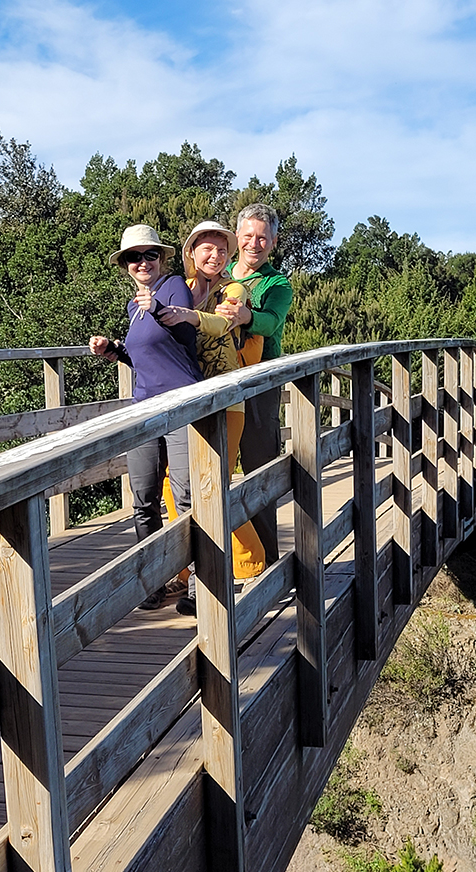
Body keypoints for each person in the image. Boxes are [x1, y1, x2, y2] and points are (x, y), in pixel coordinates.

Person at [89, 224, 202, 614]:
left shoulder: (173, 287)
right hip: (145, 409)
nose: (142, 262)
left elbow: (185, 336)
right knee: (144, 500)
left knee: (186, 498)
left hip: (181, 405)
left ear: (161, 258)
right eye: (133, 257)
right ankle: (153, 582)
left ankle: (197, 587)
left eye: (149, 255)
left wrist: (156, 308)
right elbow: (144, 358)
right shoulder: (132, 307)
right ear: (125, 265)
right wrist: (114, 350)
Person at [158, 221, 265, 590]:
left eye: (222, 250)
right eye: (207, 248)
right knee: (175, 483)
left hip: (226, 398)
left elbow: (222, 323)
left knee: (215, 482)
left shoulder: (233, 289)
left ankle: (249, 563)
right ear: (191, 253)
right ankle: (185, 567)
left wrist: (189, 316)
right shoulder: (180, 289)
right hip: (189, 397)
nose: (216, 256)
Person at [213, 204, 293, 564]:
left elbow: (272, 321)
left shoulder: (277, 284)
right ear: (237, 236)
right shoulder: (219, 271)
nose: (254, 243)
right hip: (218, 380)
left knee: (259, 469)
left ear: (273, 242)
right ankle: (222, 562)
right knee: (213, 470)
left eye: (262, 237)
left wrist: (246, 315)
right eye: (247, 236)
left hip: (260, 382)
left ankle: (268, 563)